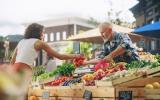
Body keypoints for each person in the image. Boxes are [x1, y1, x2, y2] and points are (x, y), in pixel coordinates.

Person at [9, 23, 81, 99]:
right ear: (38, 32)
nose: (43, 35)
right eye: (43, 32)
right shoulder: (38, 42)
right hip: (25, 69)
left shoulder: (21, 41)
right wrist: (76, 56)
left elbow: (12, 61)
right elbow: (60, 56)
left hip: (14, 69)